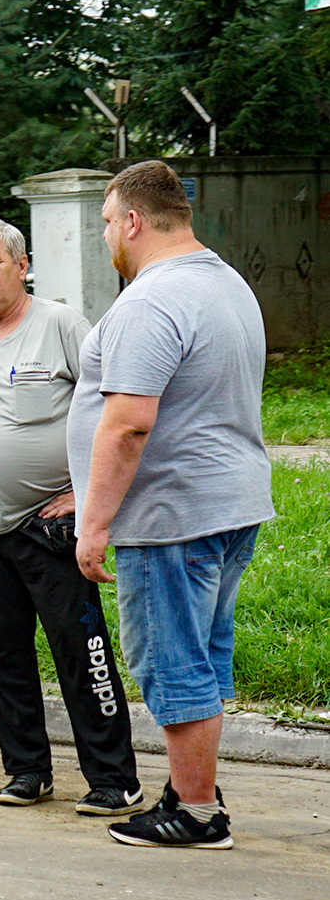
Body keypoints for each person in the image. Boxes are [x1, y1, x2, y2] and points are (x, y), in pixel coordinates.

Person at [70, 160, 274, 849]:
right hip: (228, 502)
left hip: (172, 515)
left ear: (132, 220)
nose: (106, 238)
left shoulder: (152, 300)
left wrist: (93, 525)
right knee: (204, 655)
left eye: (105, 223)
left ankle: (194, 812)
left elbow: (128, 423)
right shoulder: (224, 282)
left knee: (172, 659)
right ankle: (195, 785)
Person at [0, 219, 142, 817]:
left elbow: (112, 408)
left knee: (82, 651)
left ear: (22, 265)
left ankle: (114, 780)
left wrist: (85, 494)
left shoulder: (60, 325)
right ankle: (26, 770)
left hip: (48, 524)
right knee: (0, 650)